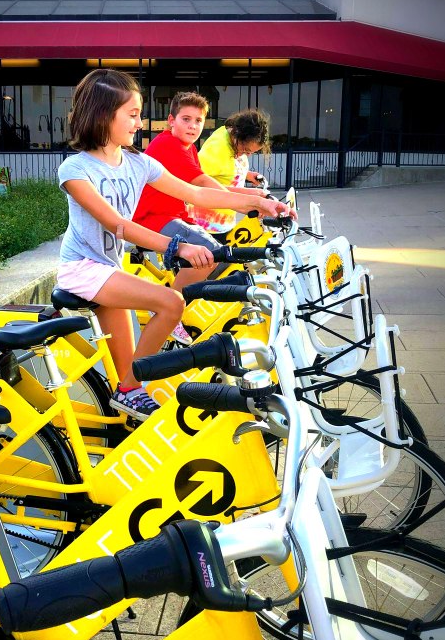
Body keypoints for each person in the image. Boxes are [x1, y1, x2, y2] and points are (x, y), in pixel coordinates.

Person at [57, 69, 261, 421]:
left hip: (109, 270)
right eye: (132, 114)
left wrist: (257, 203)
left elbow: (196, 193)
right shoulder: (75, 169)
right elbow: (118, 225)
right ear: (104, 115)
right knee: (171, 303)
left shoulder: (138, 162)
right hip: (82, 270)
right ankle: (129, 392)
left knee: (128, 379)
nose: (140, 123)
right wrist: (178, 247)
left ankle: (125, 407)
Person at [133, 92, 291, 342]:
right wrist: (252, 203)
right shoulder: (169, 146)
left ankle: (176, 301)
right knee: (209, 255)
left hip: (172, 215)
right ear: (171, 121)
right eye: (186, 119)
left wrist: (254, 196)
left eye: (198, 120)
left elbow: (211, 185)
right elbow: (203, 187)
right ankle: (166, 309)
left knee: (214, 255)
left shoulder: (187, 148)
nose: (193, 126)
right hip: (152, 219)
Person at [197, 108, 275, 232]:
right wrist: (251, 196)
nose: (247, 155)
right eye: (245, 150)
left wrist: (247, 174)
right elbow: (197, 184)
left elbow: (223, 169)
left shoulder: (231, 136)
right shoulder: (216, 149)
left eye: (252, 153)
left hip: (224, 221)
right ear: (238, 135)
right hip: (207, 224)